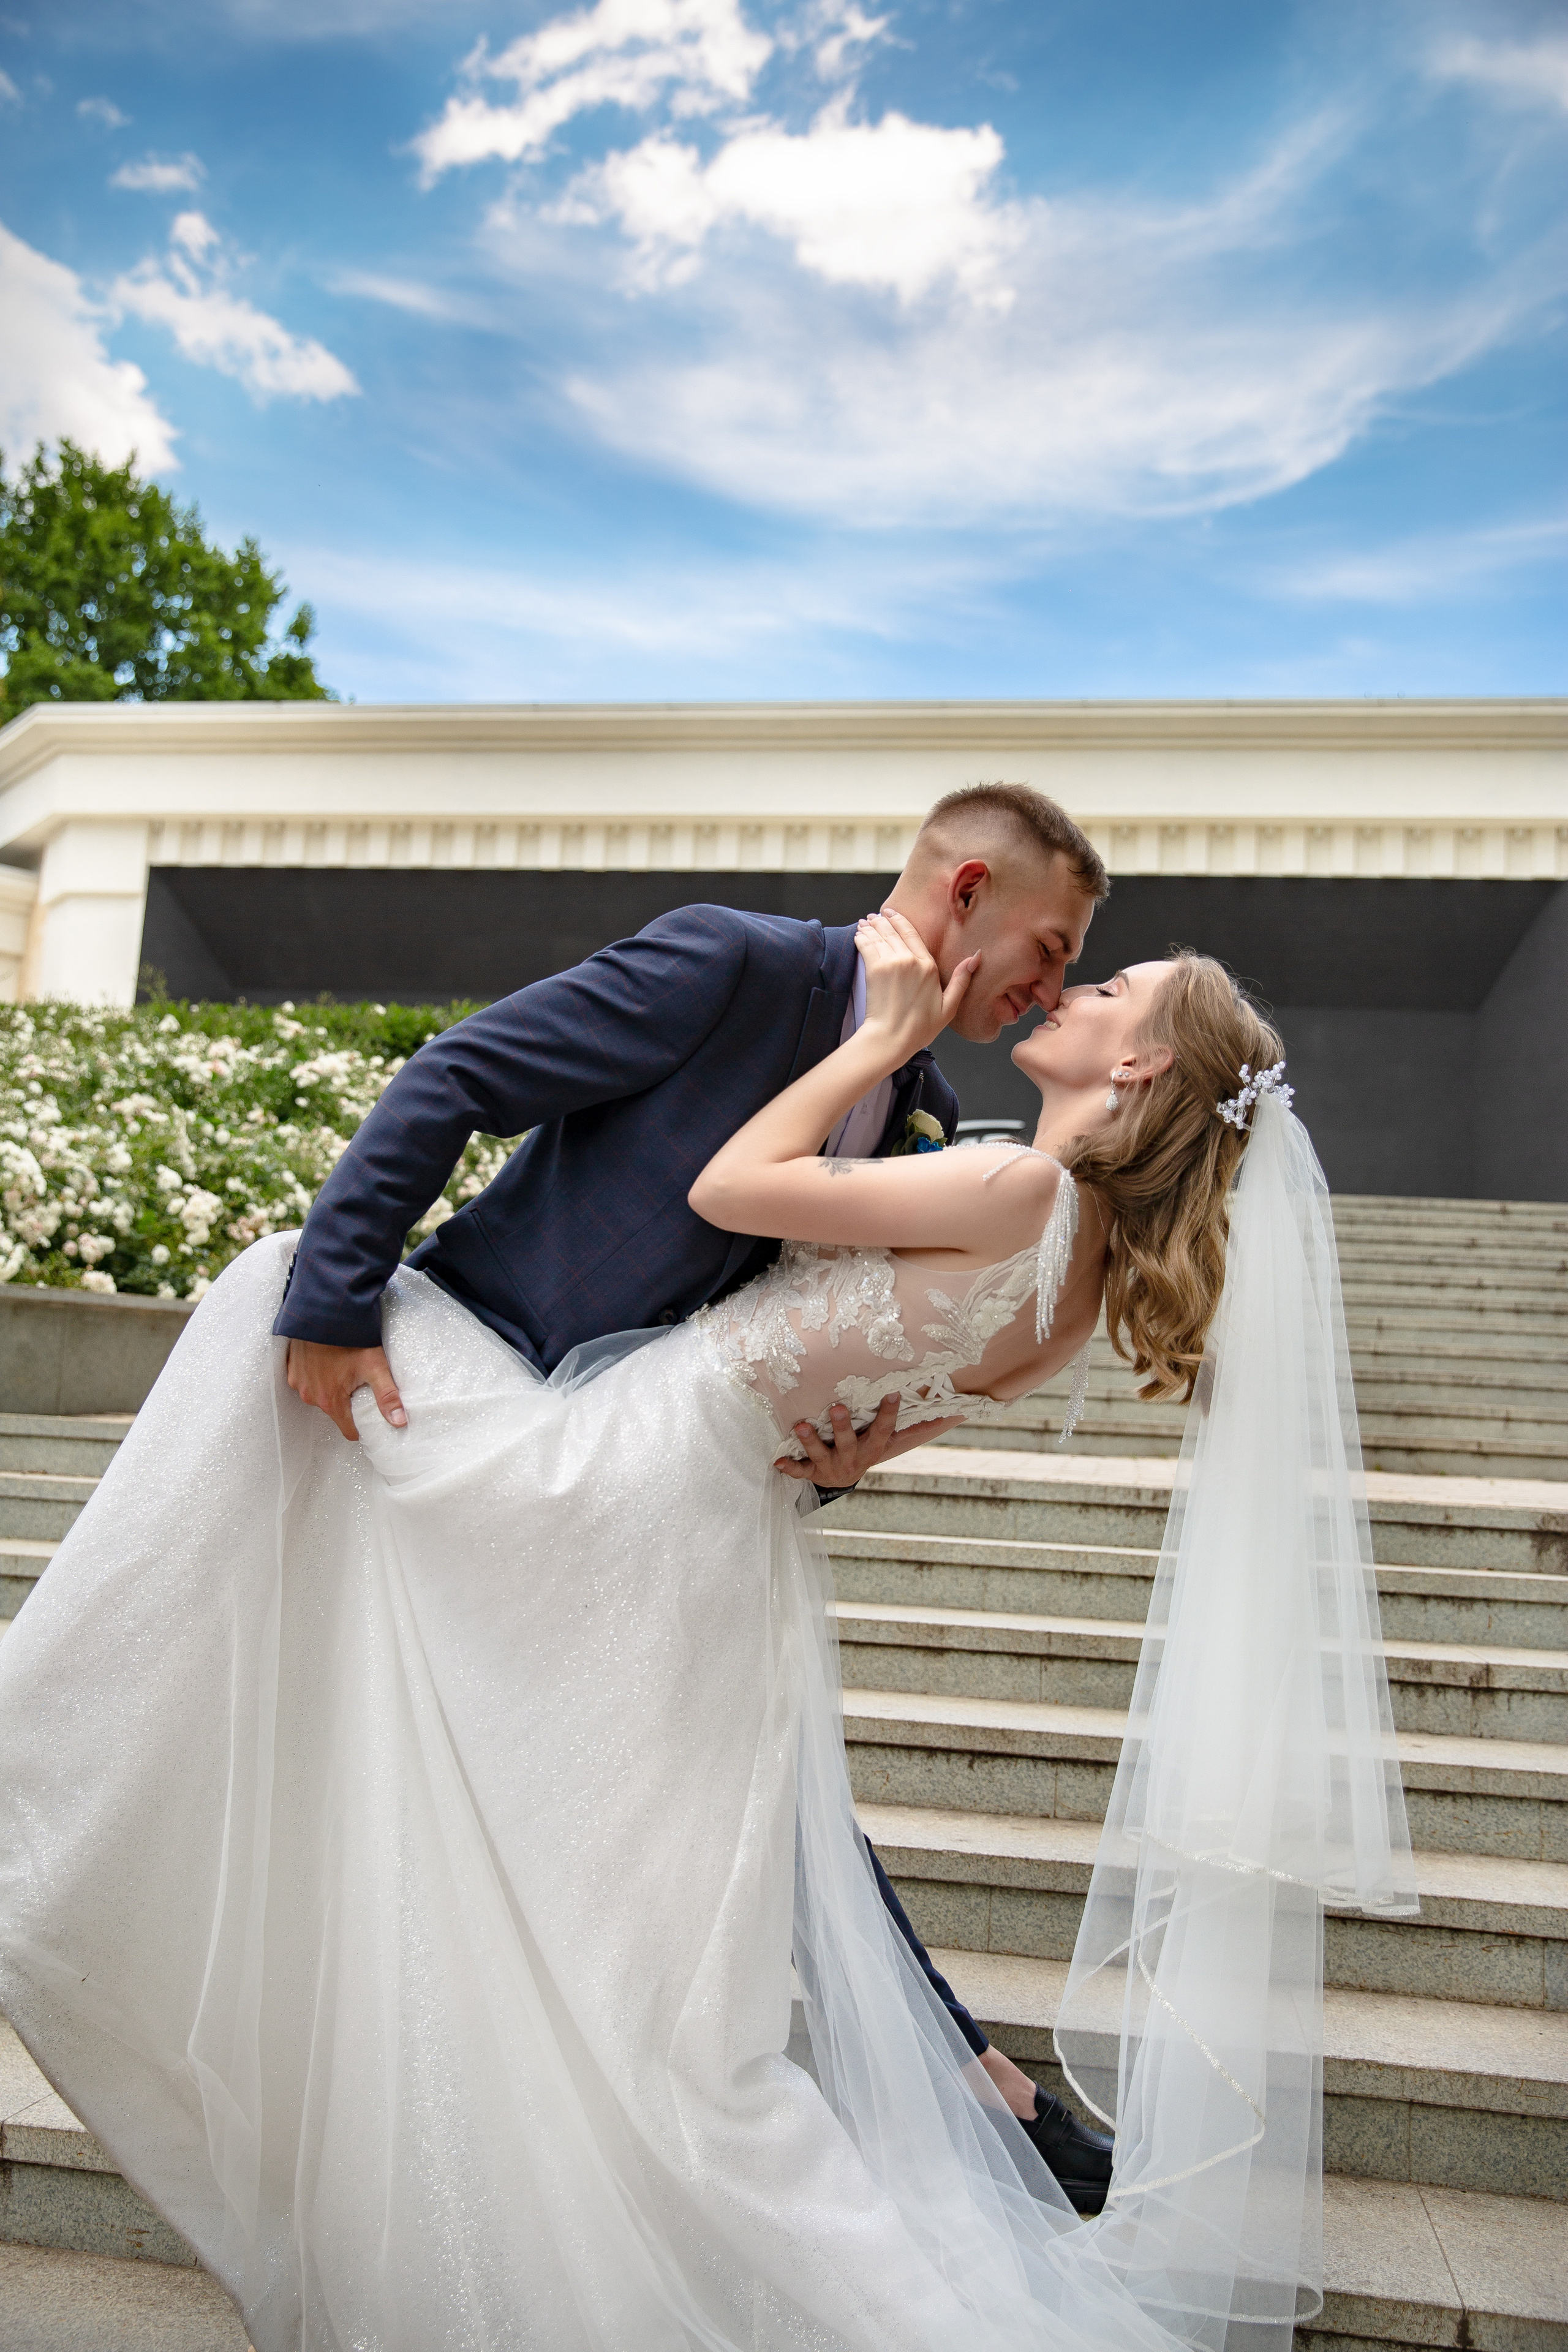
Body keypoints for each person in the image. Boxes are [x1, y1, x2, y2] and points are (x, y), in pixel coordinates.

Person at [0, 916, 1414, 2352]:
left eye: (1111, 989)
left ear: (1143, 1062)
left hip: (621, 1481)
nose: (1079, 989)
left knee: (271, 1298)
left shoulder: (1015, 1178)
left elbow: (732, 1186)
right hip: (714, 1540)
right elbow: (857, 1443)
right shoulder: (1078, 1278)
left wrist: (874, 1043)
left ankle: (70, 1776)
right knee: (647, 2004)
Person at [274, 780, 1114, 2201]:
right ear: (965, 894)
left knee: (746, 1772)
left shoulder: (928, 1105)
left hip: (635, 1481)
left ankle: (953, 2091)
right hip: (465, 1398)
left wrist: (840, 1454)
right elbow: (459, 1075)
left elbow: (799, 1334)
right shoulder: (732, 965)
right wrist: (334, 1298)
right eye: (1050, 943)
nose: (1055, 984)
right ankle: (973, 2091)